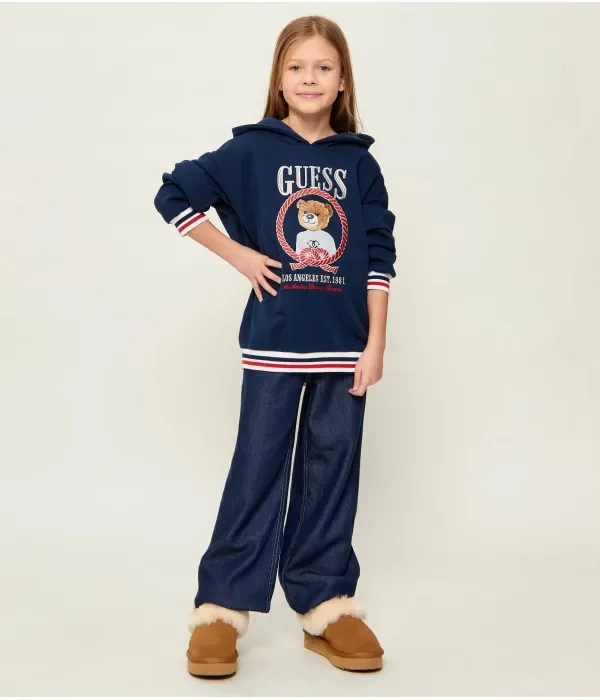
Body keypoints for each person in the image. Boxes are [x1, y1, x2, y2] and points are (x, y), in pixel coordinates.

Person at [153, 14, 396, 678]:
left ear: (342, 80)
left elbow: (378, 256)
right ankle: (221, 608)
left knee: (332, 470)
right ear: (279, 78)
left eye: (323, 67)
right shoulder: (251, 152)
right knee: (258, 467)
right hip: (274, 346)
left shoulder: (359, 163)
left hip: (345, 349)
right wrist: (237, 254)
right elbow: (173, 193)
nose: (310, 77)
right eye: (297, 67)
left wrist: (375, 343)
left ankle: (325, 604)